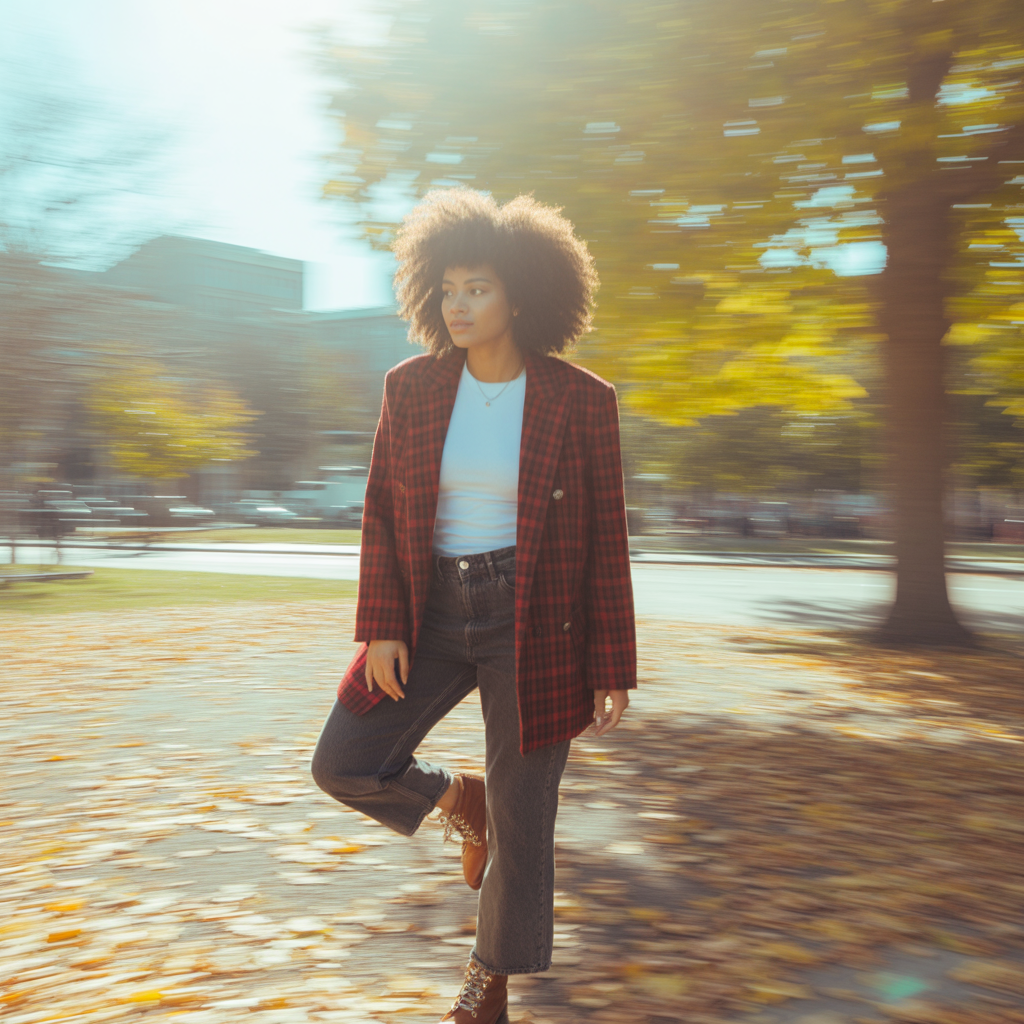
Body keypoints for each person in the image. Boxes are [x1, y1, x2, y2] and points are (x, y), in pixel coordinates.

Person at [311, 188, 636, 1024]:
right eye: (448, 288)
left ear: (521, 295)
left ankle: (487, 984)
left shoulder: (581, 399)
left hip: (536, 622)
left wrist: (611, 666)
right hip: (428, 613)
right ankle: (461, 799)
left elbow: (606, 541)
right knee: (343, 760)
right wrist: (382, 623)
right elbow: (383, 511)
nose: (457, 305)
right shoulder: (410, 389)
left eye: (478, 289)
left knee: (526, 828)